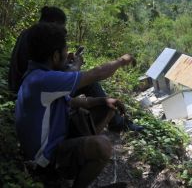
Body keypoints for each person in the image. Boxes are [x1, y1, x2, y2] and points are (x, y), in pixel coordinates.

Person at [15, 22, 135, 187]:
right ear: (55, 56)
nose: (68, 54)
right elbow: (97, 73)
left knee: (102, 109)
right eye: (65, 51)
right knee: (102, 146)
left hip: (52, 143)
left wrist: (102, 101)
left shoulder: (37, 76)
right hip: (44, 161)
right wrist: (122, 60)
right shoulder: (44, 80)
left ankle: (82, 160)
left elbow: (71, 102)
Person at [8, 6, 143, 132]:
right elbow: (95, 74)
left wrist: (63, 60)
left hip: (26, 90)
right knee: (90, 83)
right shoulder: (39, 38)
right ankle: (117, 123)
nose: (62, 34)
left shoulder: (32, 35)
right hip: (33, 95)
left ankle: (110, 119)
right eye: (62, 30)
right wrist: (120, 61)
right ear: (54, 23)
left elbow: (44, 66)